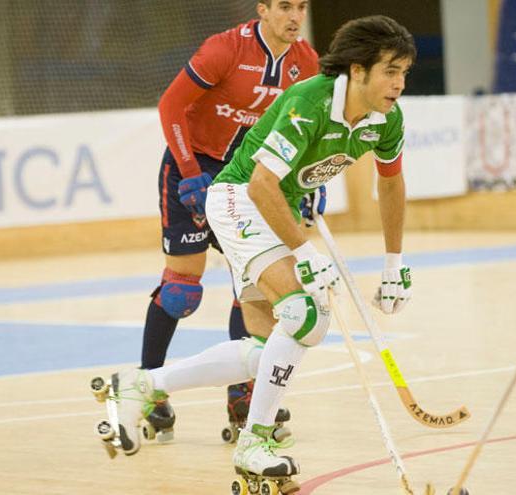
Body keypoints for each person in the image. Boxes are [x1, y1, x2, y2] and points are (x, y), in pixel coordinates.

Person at [95, 14, 416, 486]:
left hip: (276, 204)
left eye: (405, 72)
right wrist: (304, 252)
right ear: (357, 70)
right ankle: (254, 441)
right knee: (307, 316)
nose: (399, 84)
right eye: (391, 70)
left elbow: (391, 184)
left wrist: (394, 262)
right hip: (240, 197)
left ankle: (141, 385)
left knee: (268, 347)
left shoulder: (386, 120)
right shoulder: (309, 101)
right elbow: (262, 183)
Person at [141, 0, 317, 440]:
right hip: (194, 165)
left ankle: (243, 396)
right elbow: (170, 106)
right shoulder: (224, 50)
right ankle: (147, 386)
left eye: (301, 6)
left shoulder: (307, 62)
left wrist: (311, 181)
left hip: (247, 178)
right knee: (182, 291)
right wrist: (188, 169)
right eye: (284, 6)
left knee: (255, 282)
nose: (294, 16)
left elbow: (309, 132)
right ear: (262, 9)